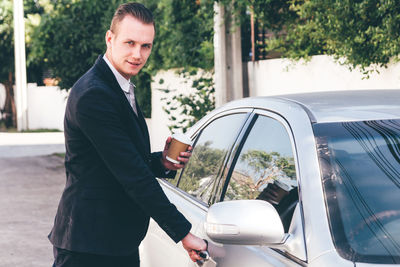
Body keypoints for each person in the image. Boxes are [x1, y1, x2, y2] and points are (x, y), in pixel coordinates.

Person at [49, 2, 206, 266]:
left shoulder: (118, 85)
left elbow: (115, 162)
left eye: (146, 46)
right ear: (110, 39)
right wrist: (184, 233)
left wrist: (161, 162)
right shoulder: (94, 94)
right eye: (130, 43)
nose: (138, 54)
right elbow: (132, 174)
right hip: (89, 247)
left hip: (115, 242)